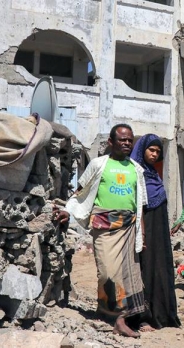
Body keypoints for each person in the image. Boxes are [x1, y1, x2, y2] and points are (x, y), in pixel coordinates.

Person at [54, 124, 147, 338]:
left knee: (127, 276)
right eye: (122, 140)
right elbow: (80, 190)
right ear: (111, 143)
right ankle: (108, 312)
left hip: (128, 228)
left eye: (130, 140)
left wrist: (142, 234)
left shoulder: (136, 169)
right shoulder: (98, 164)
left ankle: (118, 320)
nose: (127, 143)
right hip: (103, 226)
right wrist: (68, 210)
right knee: (107, 272)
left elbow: (140, 205)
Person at [130, 134, 181, 330]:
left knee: (160, 268)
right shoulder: (135, 173)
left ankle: (163, 314)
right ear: (142, 149)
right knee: (144, 269)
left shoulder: (153, 174)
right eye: (151, 149)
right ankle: (144, 317)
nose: (155, 154)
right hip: (144, 230)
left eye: (158, 151)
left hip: (159, 233)